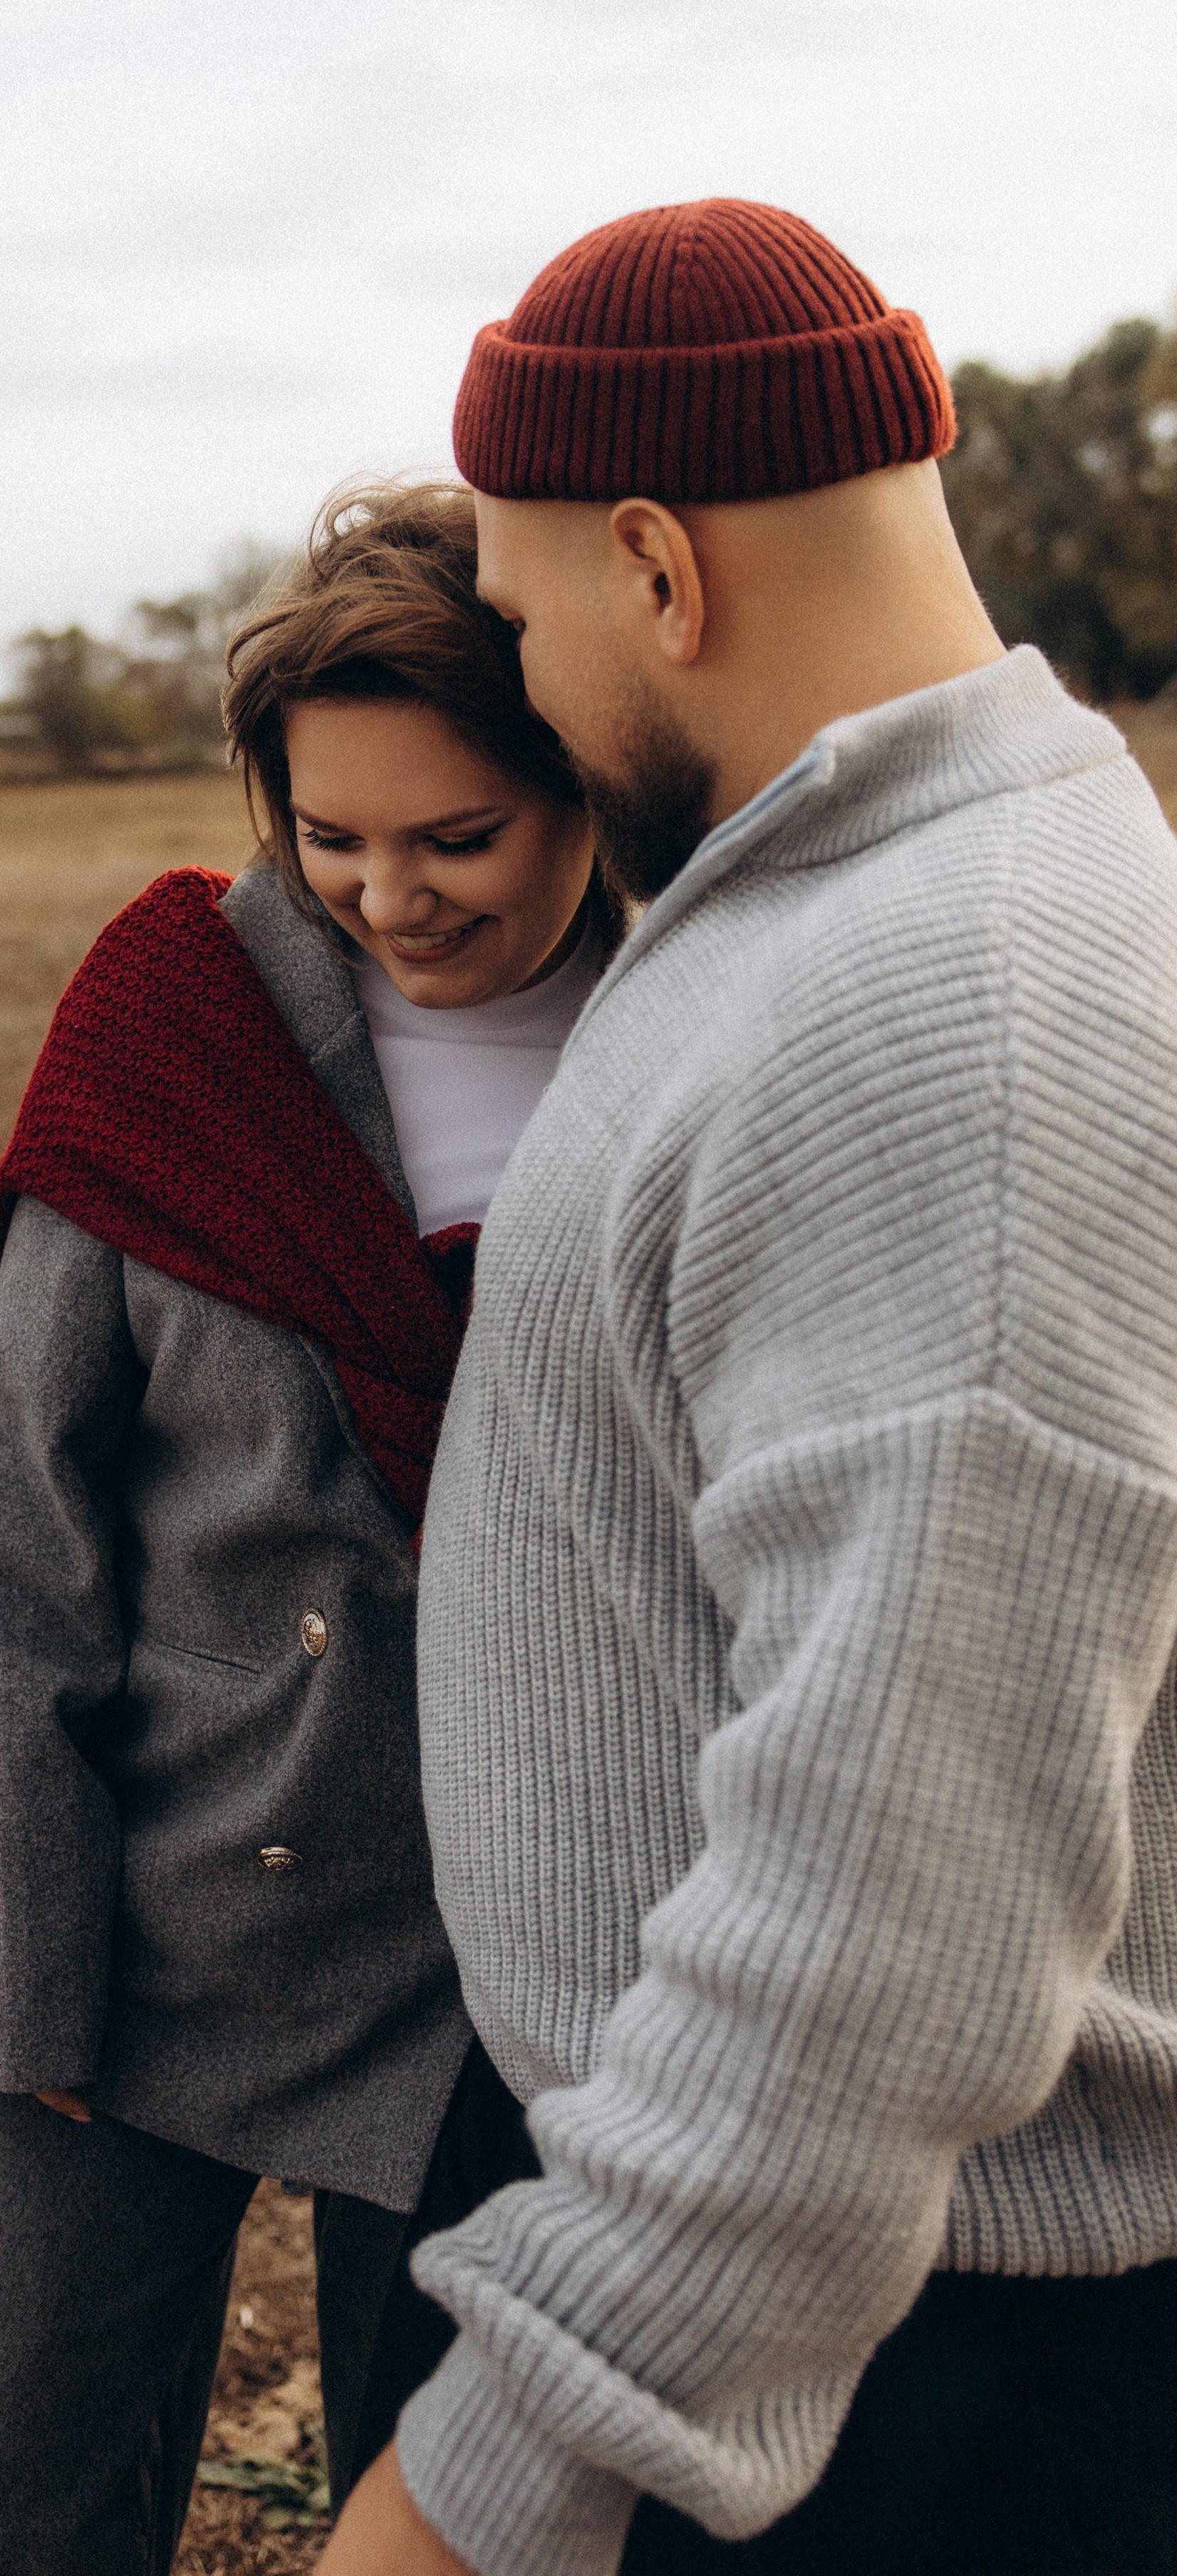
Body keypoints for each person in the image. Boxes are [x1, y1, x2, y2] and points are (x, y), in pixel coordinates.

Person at [319, 198, 1177, 2576]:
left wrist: (493, 2477)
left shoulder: (954, 1006)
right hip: (779, 2302)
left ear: (659, 572)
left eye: (520, 619)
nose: (521, 668)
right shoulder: (838, 905)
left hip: (884, 2385)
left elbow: (896, 1912)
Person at [0, 482, 625, 2576]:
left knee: (474, 2534)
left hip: (512, 1959)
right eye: (331, 835)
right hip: (141, 1902)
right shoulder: (174, 1019)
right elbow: (20, 1527)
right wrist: (27, 1978)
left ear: (582, 779)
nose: (393, 895)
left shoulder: (686, 1038)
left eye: (459, 834)